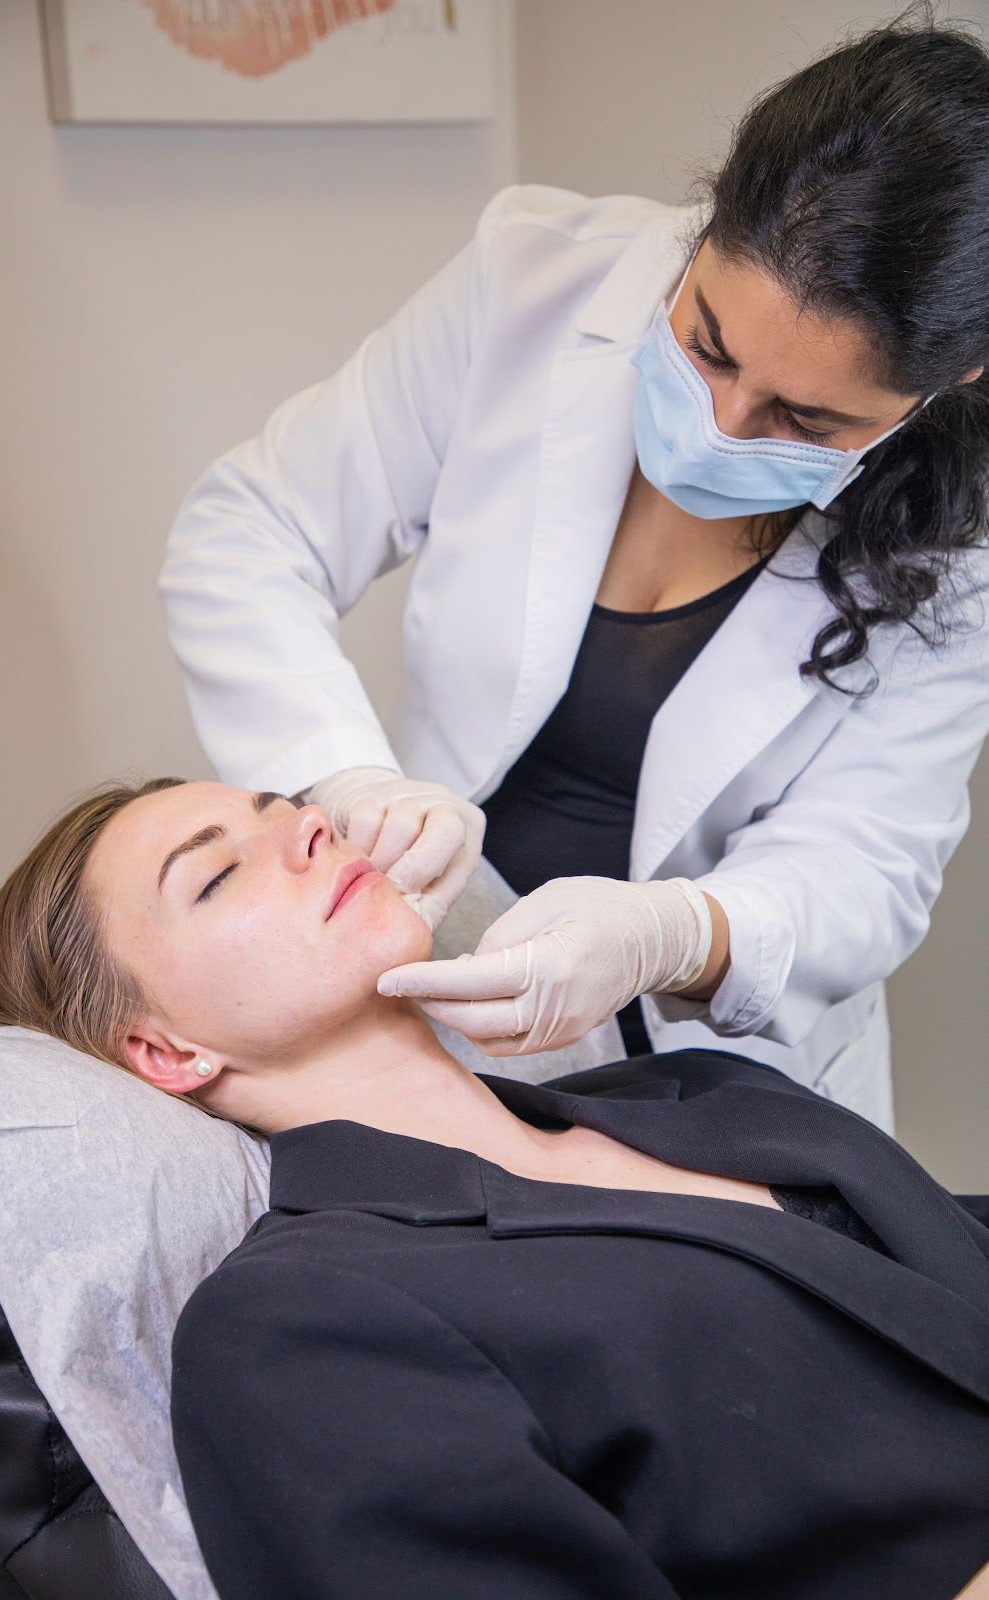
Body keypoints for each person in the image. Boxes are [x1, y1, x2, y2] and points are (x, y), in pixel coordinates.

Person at [160, 14, 989, 1128]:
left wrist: (670, 934)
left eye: (800, 418)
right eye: (705, 342)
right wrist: (345, 779)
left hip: (718, 1075)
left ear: (951, 379)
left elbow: (863, 867)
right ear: (707, 230)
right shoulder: (530, 283)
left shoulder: (964, 537)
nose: (720, 422)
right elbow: (250, 529)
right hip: (428, 989)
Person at [0, 778, 989, 1599]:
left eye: (284, 807)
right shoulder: (293, 1329)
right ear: (164, 1049)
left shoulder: (697, 1089)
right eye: (215, 876)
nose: (312, 827)